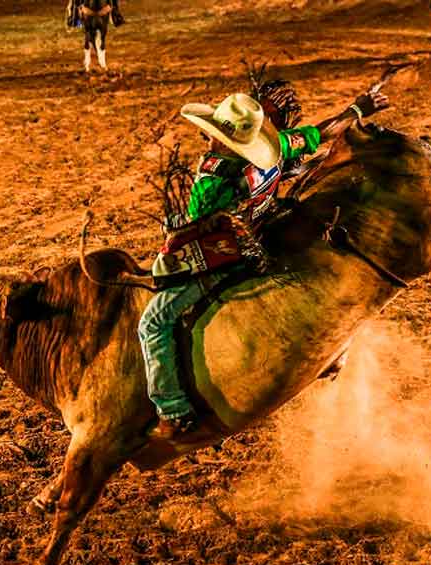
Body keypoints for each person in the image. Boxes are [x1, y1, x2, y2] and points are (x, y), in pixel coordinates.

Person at [139, 88, 390, 439]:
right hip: (265, 235)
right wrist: (358, 108)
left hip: (225, 258)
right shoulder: (277, 149)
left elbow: (195, 229)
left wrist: (174, 225)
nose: (208, 140)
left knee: (154, 321)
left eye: (214, 135)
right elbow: (324, 130)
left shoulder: (211, 182)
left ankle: (173, 410)